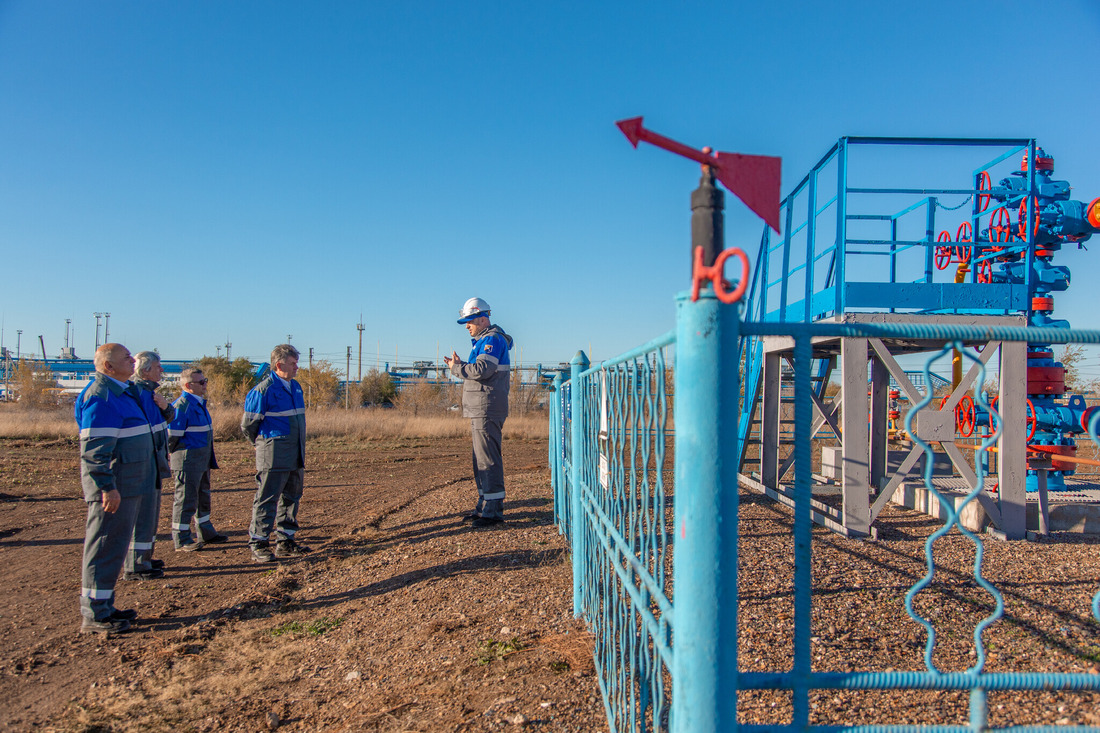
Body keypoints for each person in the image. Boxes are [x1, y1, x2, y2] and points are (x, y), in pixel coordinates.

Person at [74, 343, 156, 634]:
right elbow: (95, 450)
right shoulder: (102, 396)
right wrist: (107, 487)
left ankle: (104, 606)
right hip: (115, 486)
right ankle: (94, 614)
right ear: (108, 366)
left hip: (130, 482)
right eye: (125, 357)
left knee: (115, 545)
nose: (133, 360)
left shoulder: (122, 391)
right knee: (104, 545)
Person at [443, 297, 513, 528]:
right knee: (480, 459)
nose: (467, 326)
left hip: (487, 407)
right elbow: (481, 369)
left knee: (487, 459)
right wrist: (462, 365)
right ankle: (484, 506)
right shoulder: (483, 341)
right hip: (481, 407)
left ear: (483, 319)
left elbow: (483, 369)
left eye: (470, 320)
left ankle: (493, 512)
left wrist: (457, 368)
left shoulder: (491, 339)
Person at [241, 344, 309, 563]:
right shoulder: (263, 390)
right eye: (293, 363)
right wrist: (264, 444)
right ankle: (259, 542)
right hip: (273, 454)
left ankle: (285, 541)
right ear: (279, 365)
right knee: (267, 498)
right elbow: (248, 425)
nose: (297, 367)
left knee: (292, 497)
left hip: (295, 453)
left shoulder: (295, 387)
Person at [122, 351, 175, 580]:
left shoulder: (151, 394)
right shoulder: (134, 394)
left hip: (154, 461)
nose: (161, 370)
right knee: (141, 514)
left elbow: (169, 417)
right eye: (157, 367)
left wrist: (165, 406)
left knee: (150, 514)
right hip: (141, 463)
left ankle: (144, 557)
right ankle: (135, 565)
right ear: (144, 371)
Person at [167, 366, 227, 550]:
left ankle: (206, 532)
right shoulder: (182, 406)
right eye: (201, 382)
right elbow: (171, 438)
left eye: (205, 380)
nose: (205, 385)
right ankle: (182, 538)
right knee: (186, 499)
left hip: (202, 459)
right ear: (187, 385)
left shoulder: (199, 404)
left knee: (203, 497)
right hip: (188, 460)